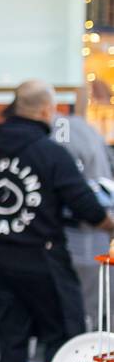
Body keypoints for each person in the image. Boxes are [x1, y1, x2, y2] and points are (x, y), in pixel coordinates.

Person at [0, 80, 114, 362]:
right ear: (47, 110)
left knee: (12, 343)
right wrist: (107, 224)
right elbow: (86, 205)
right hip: (44, 260)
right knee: (62, 337)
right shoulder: (51, 153)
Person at [53, 110, 114, 330]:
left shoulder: (65, 132)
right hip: (86, 232)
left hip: (75, 232)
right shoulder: (80, 132)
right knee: (88, 305)